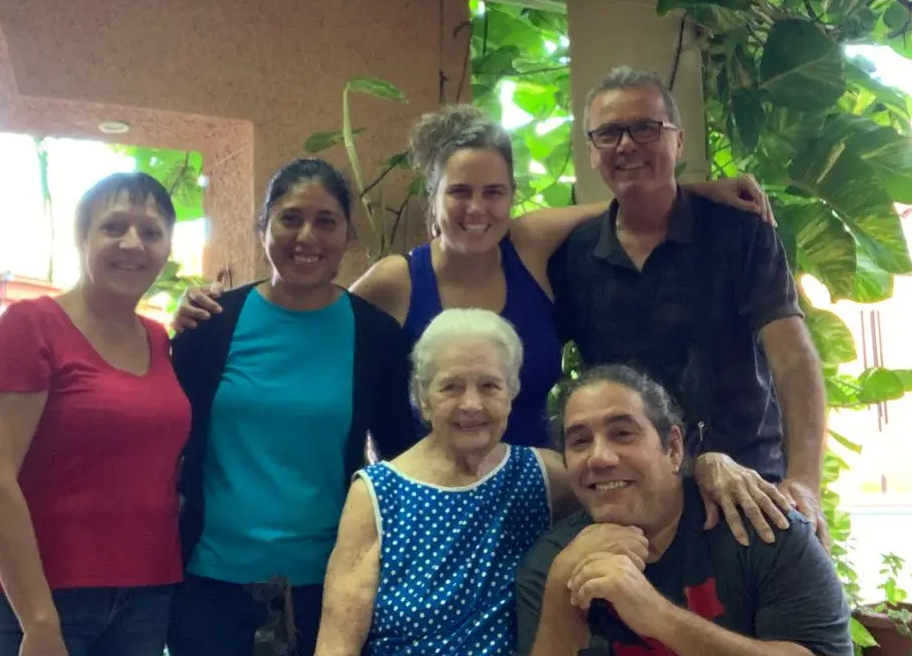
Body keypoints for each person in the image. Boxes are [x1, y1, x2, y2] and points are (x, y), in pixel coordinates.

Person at [178, 105, 771, 449]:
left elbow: (624, 200)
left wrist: (704, 191)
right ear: (431, 199)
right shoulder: (395, 281)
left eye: (494, 192)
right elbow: (312, 321)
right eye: (459, 192)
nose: (476, 209)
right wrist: (214, 311)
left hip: (539, 497)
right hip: (431, 508)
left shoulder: (531, 243)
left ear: (513, 196)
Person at [168, 158, 420, 656]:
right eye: (290, 219)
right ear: (264, 227)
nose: (307, 237)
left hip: (326, 593)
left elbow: (405, 457)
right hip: (207, 587)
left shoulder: (374, 336)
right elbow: (166, 440)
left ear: (348, 234)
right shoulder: (211, 325)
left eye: (326, 221)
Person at [548, 67, 831, 545]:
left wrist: (804, 480)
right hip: (633, 495)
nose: (627, 145)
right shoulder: (573, 257)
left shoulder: (740, 233)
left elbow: (793, 357)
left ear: (678, 142)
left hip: (748, 485)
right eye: (609, 133)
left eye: (645, 128)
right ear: (592, 152)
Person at [512, 365, 856, 656]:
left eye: (622, 433)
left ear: (674, 448)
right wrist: (561, 599)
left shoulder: (760, 527)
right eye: (580, 441)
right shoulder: (554, 560)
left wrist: (659, 616)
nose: (600, 457)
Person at [0, 172, 191, 656]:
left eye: (151, 232)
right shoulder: (31, 326)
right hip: (49, 596)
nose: (133, 244)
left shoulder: (159, 338)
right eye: (114, 227)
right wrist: (40, 624)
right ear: (82, 237)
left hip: (146, 592)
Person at [310, 309, 573, 656]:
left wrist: (705, 467)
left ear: (512, 392)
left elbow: (643, 491)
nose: (471, 404)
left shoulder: (546, 476)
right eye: (451, 387)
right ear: (422, 397)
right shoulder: (378, 493)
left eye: (489, 385)